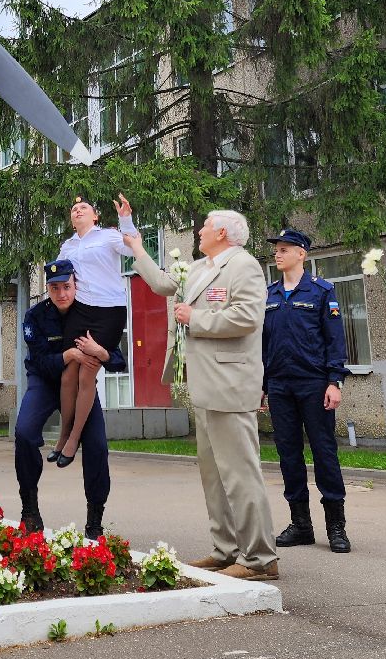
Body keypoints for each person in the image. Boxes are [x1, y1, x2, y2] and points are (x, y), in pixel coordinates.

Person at [124, 210, 280, 580]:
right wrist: (136, 248)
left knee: (240, 474)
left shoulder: (244, 267)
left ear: (222, 232)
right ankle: (226, 550)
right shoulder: (200, 267)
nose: (198, 230)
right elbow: (164, 284)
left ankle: (260, 558)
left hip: (230, 384)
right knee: (213, 475)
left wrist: (194, 318)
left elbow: (246, 318)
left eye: (205, 226)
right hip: (206, 385)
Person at [14, 258, 126, 539]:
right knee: (25, 433)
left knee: (98, 445)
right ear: (47, 289)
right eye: (54, 288)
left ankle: (94, 522)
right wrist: (67, 355)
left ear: (76, 284)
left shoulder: (92, 312)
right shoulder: (35, 317)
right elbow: (38, 362)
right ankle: (30, 510)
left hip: (81, 390)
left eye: (67, 286)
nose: (62, 294)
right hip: (45, 383)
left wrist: (99, 352)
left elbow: (117, 360)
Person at [262, 227, 352, 553]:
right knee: (288, 456)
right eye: (277, 249)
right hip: (280, 386)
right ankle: (301, 525)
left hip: (314, 384)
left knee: (324, 453)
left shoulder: (320, 291)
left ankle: (336, 527)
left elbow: (335, 341)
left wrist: (334, 381)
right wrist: (263, 386)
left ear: (302, 253)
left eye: (285, 248)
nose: (278, 253)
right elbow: (263, 345)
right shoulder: (269, 294)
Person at [49, 194, 139, 467]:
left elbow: (133, 248)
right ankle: (63, 434)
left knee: (87, 373)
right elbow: (60, 279)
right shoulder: (67, 245)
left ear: (95, 215)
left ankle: (75, 439)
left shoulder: (108, 237)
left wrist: (125, 219)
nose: (77, 211)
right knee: (68, 377)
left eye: (83, 208)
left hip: (109, 311)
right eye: (73, 209)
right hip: (81, 310)